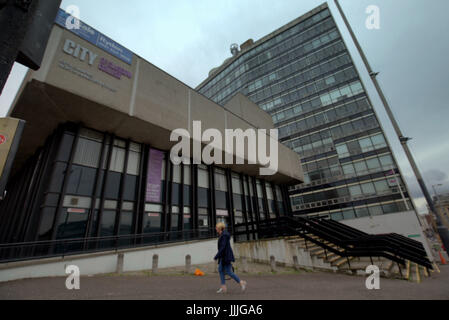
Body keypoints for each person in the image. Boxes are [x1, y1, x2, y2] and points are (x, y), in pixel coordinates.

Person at [213, 222, 247, 294]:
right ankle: (223, 287)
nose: (215, 229)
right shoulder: (222, 235)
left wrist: (216, 256)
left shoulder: (224, 235)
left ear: (219, 228)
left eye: (216, 228)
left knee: (228, 271)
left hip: (226, 256)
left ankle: (241, 282)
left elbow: (223, 247)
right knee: (220, 269)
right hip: (223, 256)